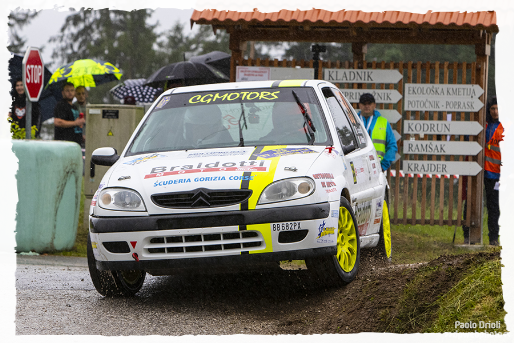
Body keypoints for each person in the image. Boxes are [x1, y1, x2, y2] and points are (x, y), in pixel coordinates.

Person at [467, 95, 514, 246]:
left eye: (498, 109)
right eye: (492, 108)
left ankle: (493, 239)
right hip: (479, 172)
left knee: (493, 206)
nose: (495, 112)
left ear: (502, 109)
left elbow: (510, 152)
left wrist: (504, 174)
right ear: (489, 109)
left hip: (497, 176)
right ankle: (468, 236)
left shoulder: (508, 126)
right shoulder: (483, 122)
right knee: (471, 202)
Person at [357, 93, 397, 171]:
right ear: (359, 105)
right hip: (356, 168)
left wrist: (383, 166)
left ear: (374, 105)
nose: (367, 106)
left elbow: (392, 146)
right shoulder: (352, 121)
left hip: (377, 167)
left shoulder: (383, 122)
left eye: (369, 103)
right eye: (364, 104)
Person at [54, 82, 85, 146]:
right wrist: (75, 123)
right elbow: (57, 122)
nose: (70, 92)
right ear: (63, 93)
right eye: (67, 90)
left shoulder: (74, 107)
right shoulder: (61, 105)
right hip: (64, 144)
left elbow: (74, 125)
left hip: (76, 144)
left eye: (72, 90)